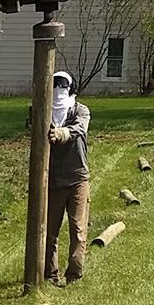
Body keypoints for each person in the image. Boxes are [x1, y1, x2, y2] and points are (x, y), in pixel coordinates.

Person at [45, 71, 90, 286]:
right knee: (50, 230)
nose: (58, 91)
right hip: (53, 181)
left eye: (63, 87)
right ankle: (51, 275)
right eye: (55, 87)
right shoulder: (44, 112)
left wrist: (60, 133)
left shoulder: (80, 110)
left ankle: (74, 274)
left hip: (78, 178)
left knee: (77, 228)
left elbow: (79, 128)